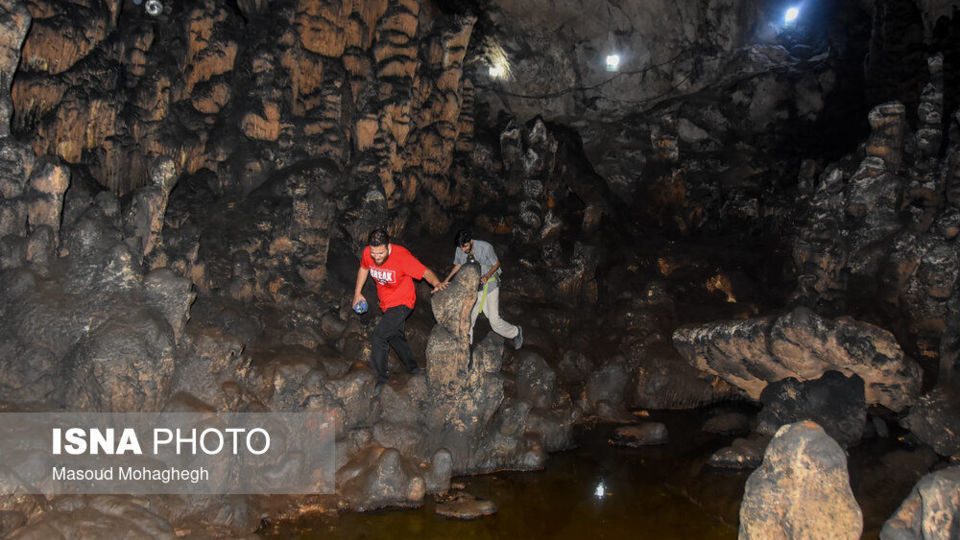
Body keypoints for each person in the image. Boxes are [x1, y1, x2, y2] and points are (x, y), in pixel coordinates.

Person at [353, 228, 448, 396]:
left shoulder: (401, 256)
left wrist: (437, 284)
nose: (376, 257)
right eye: (374, 253)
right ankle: (412, 368)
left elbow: (425, 272)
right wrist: (357, 293)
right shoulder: (369, 253)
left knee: (380, 335)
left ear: (388, 246)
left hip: (404, 302)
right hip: (387, 304)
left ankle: (379, 377)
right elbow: (363, 269)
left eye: (380, 253)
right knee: (396, 336)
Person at [442, 229, 522, 349]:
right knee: (469, 316)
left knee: (494, 321)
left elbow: (497, 264)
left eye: (465, 246)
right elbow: (458, 265)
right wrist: (447, 279)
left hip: (490, 285)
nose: (463, 250)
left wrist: (487, 275)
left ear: (471, 241)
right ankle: (467, 345)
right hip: (474, 286)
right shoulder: (460, 249)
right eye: (461, 247)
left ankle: (516, 332)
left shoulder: (485, 247)